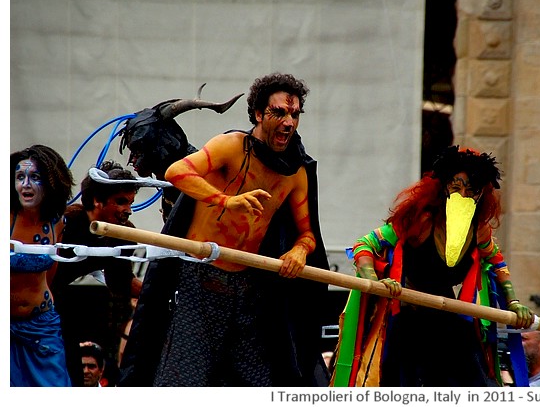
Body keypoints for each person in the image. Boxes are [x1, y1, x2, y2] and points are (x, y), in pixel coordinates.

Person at [119, 72, 330, 386]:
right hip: (199, 281)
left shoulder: (295, 172)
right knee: (184, 382)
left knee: (258, 384)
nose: (288, 122)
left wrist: (299, 252)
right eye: (279, 112)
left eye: (295, 114)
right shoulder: (231, 146)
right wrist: (226, 201)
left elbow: (308, 233)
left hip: (249, 289)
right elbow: (178, 171)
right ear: (258, 114)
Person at [330, 145, 534, 387]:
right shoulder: (422, 221)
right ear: (444, 186)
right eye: (456, 187)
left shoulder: (479, 230)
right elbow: (365, 245)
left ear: (482, 194)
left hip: (446, 314)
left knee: (470, 378)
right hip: (408, 312)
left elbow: (497, 263)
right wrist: (374, 282)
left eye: (472, 189)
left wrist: (513, 301)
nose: (463, 195)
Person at [51, 161, 144, 387]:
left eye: (130, 202)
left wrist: (161, 292)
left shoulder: (124, 234)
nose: (128, 210)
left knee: (74, 373)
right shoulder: (65, 222)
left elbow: (120, 282)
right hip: (40, 304)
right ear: (96, 200)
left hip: (63, 311)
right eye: (121, 201)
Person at [10, 144, 74, 386]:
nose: (26, 184)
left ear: (50, 182)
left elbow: (51, 272)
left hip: (42, 327)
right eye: (20, 177)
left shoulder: (57, 221)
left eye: (34, 177)